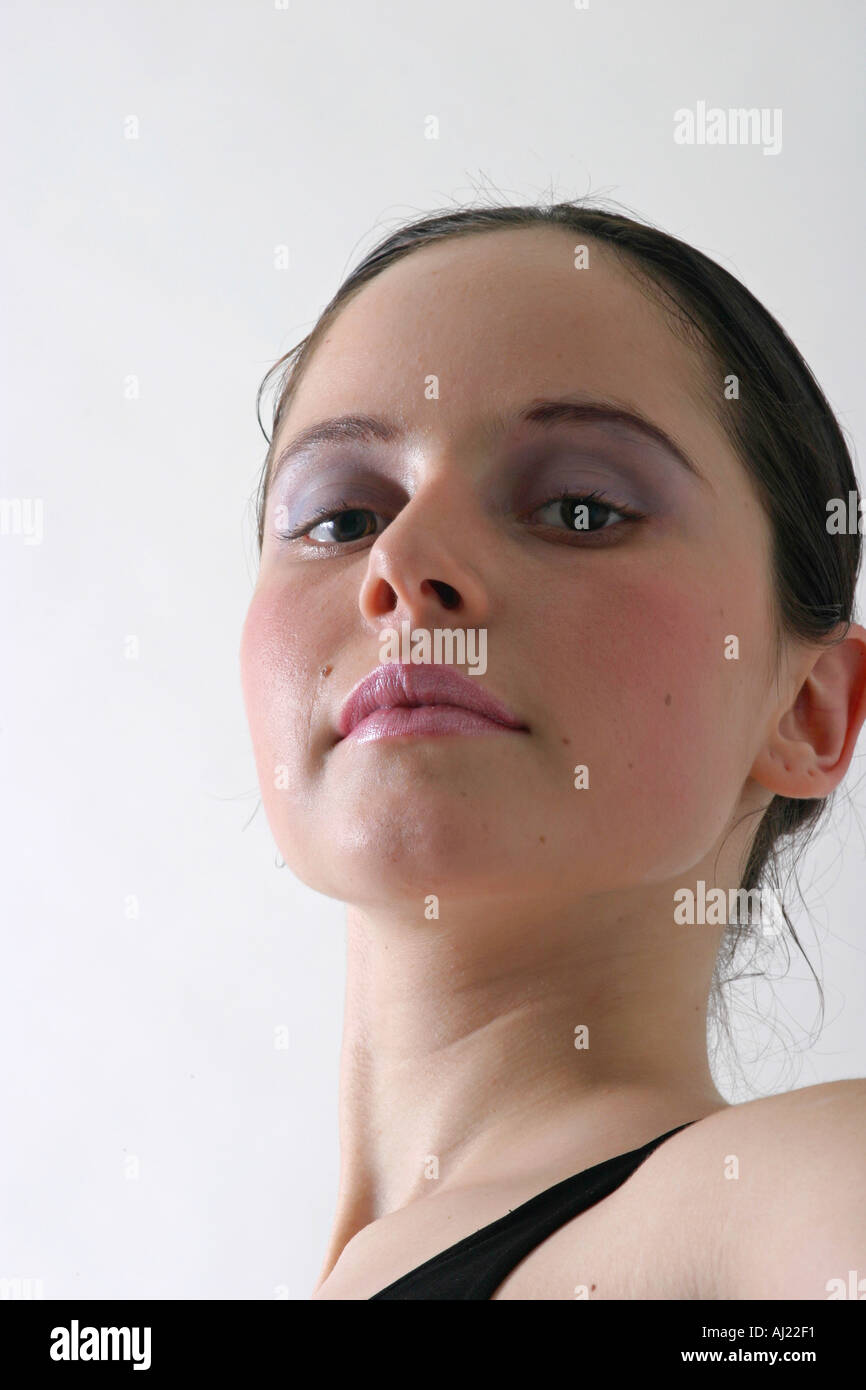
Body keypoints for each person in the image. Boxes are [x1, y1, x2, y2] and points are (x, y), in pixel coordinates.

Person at [240, 201, 866, 1299]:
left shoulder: (785, 1206)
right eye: (339, 517)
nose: (403, 559)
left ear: (809, 709)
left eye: (579, 508)